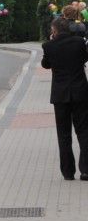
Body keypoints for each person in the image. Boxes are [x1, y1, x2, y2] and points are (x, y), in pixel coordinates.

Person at [41, 14, 88, 180]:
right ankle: (86, 170)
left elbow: (45, 64)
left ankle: (68, 172)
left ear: (54, 30)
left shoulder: (48, 46)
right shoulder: (79, 43)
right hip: (80, 92)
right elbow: (84, 58)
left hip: (60, 95)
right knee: (83, 130)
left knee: (64, 134)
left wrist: (50, 41)